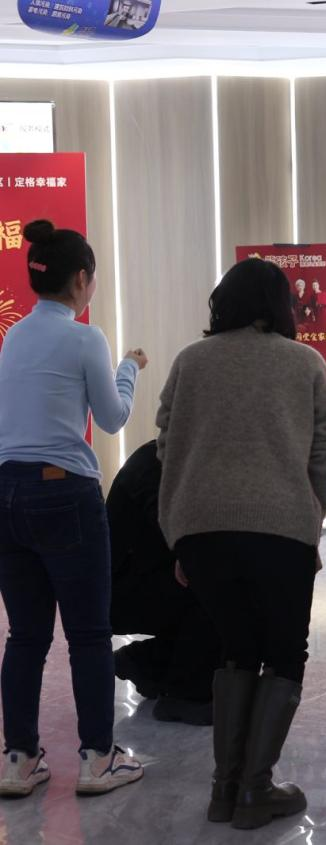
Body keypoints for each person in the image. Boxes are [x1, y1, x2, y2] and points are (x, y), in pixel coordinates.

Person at [156, 257, 326, 830]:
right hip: (280, 527)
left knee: (236, 647)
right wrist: (311, 519)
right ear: (282, 305)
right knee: (284, 653)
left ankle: (225, 790)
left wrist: (183, 535)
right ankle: (255, 789)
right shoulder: (306, 363)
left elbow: (166, 443)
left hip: (200, 528)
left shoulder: (191, 360)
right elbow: (325, 452)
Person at [0, 219, 147, 799]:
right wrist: (129, 368)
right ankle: (97, 759)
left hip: (6, 492)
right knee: (88, 635)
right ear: (82, 279)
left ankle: (18, 760)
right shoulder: (87, 338)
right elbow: (112, 418)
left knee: (25, 637)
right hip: (65, 493)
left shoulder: (14, 337)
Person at [108, 439, 220, 726]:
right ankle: (186, 696)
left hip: (149, 578)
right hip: (120, 593)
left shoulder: (193, 460)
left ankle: (146, 663)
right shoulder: (154, 463)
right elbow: (169, 523)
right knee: (216, 586)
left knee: (233, 581)